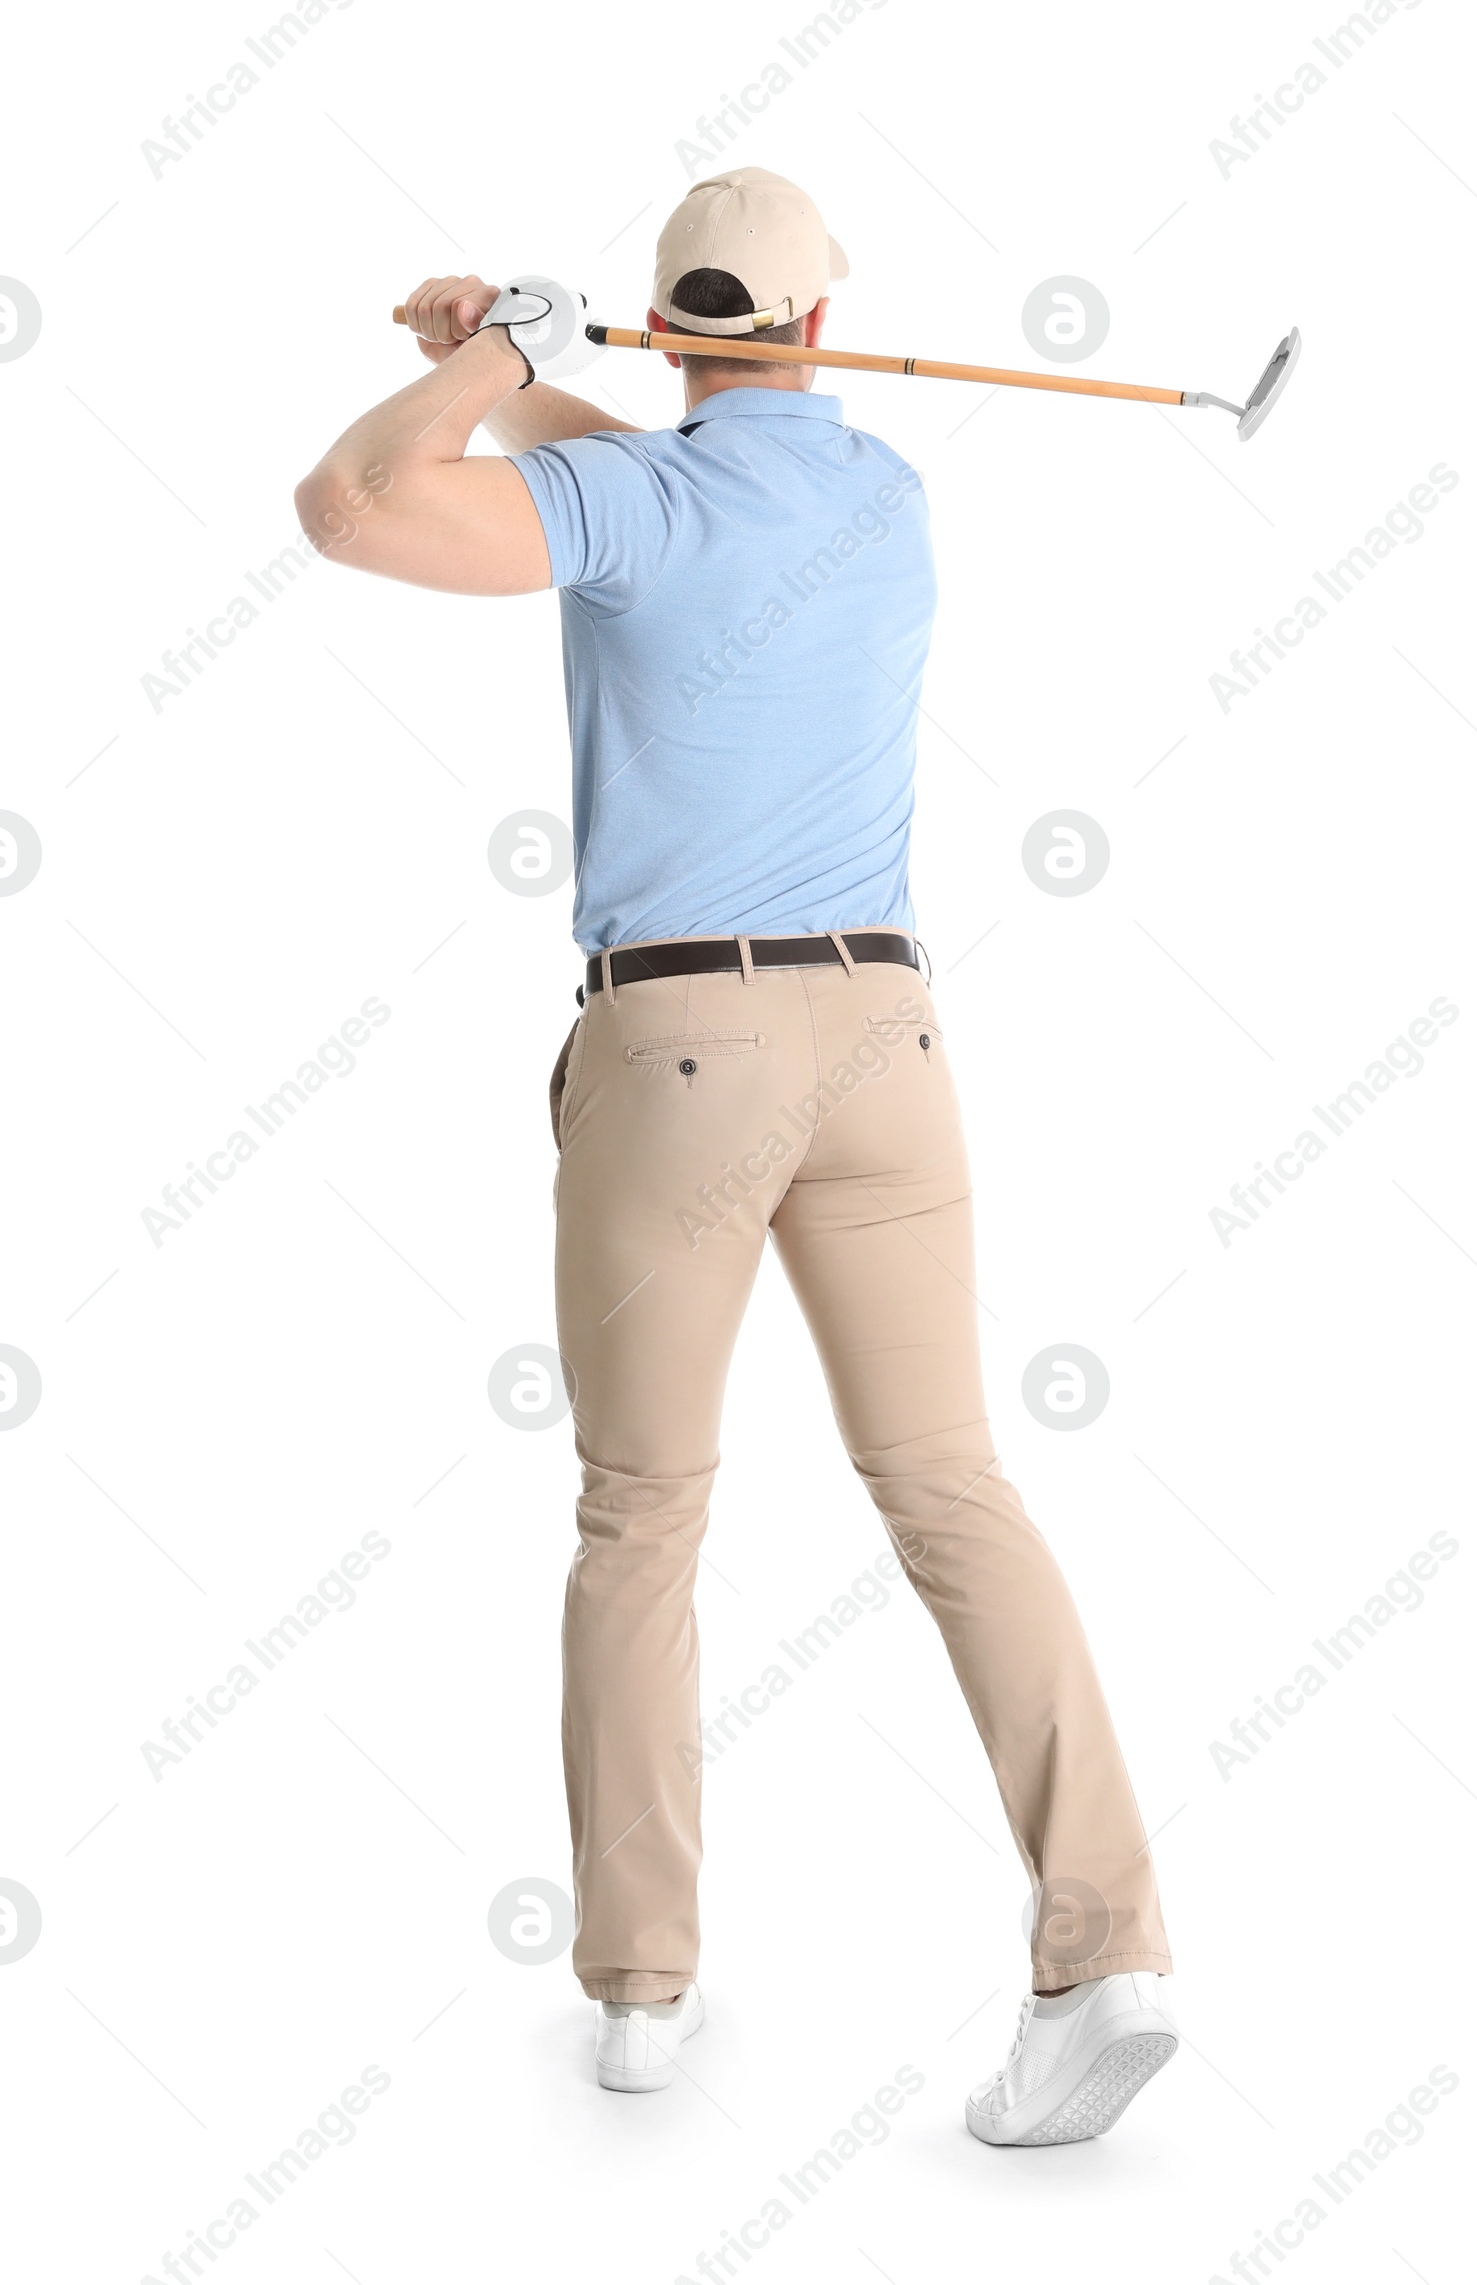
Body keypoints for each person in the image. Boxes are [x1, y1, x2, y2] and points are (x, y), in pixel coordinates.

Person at [295, 167, 1177, 2143]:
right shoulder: (878, 503)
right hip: (889, 1039)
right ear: (809, 328)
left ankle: (638, 1986)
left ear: (665, 330)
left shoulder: (629, 506)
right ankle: (1109, 1944)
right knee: (952, 1487)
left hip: (675, 1043)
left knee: (641, 1515)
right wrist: (513, 368)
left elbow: (350, 506)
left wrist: (493, 373)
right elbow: (692, 479)